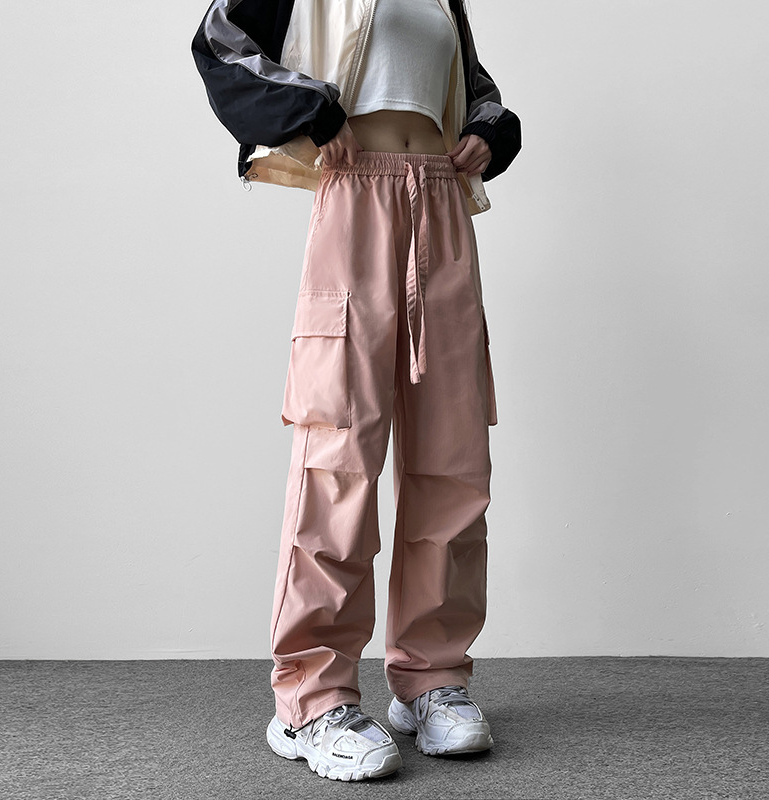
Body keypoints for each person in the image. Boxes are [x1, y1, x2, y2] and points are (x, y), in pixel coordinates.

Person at [192, 0, 522, 782]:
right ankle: (312, 700)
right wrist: (307, 111)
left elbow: (472, 87)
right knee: (337, 456)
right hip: (354, 198)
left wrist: (492, 131)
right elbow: (219, 44)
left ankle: (432, 679)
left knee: (453, 460)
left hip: (441, 201)